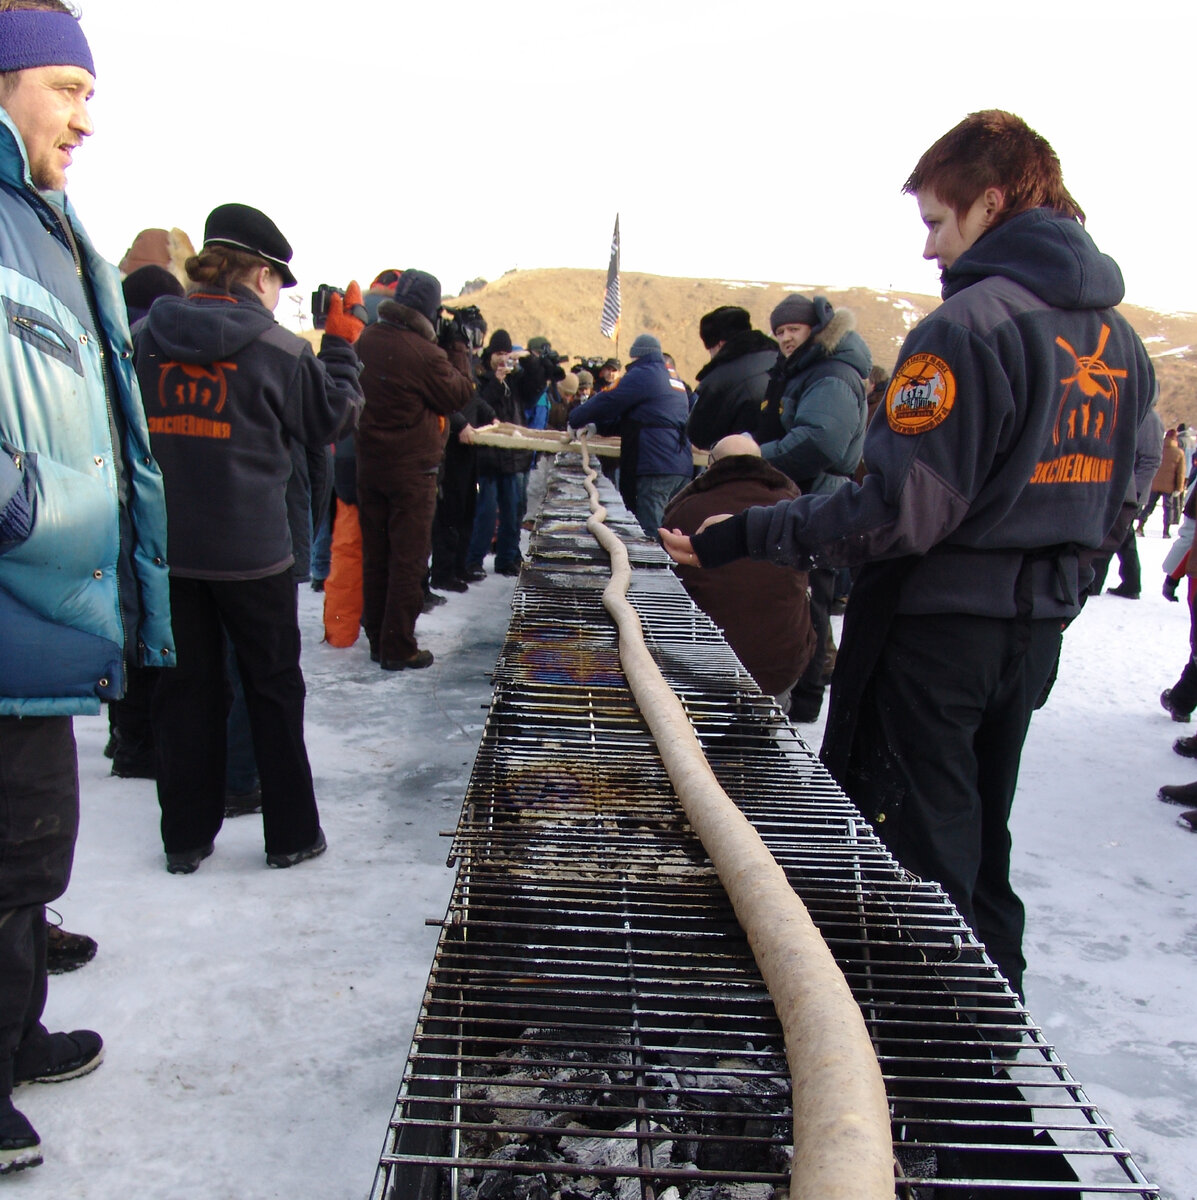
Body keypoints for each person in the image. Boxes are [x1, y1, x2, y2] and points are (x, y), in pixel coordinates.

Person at [660, 110, 1157, 998]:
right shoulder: (1114, 338)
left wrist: (742, 533)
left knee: (912, 856)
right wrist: (1063, 582)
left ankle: (922, 1050)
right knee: (979, 835)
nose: (929, 248)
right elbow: (1131, 480)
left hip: (936, 638)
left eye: (936, 221)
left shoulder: (968, 329)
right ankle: (990, 1031)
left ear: (990, 202)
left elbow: (895, 509)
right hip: (1026, 636)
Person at [1, 1, 174, 1172]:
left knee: (26, 850)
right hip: (22, 578)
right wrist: (36, 515)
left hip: (37, 608)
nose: (86, 117)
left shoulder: (45, 223)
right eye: (67, 87)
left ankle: (14, 1036)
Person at [134, 203, 363, 875]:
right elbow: (332, 417)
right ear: (258, 274)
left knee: (184, 694)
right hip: (254, 551)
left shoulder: (145, 337)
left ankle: (184, 837)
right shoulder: (279, 350)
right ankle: (291, 833)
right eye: (276, 285)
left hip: (170, 547)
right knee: (270, 689)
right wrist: (343, 347)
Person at [755, 293, 871, 722]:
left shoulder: (831, 375)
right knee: (803, 596)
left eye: (793, 330)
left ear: (815, 330)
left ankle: (805, 696)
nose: (785, 338)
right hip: (809, 493)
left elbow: (821, 441)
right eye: (780, 332)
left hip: (820, 497)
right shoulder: (808, 370)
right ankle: (799, 689)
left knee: (811, 599)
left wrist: (755, 454)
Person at [356, 269, 474, 669]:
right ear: (429, 310)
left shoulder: (368, 338)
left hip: (369, 465)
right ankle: (398, 646)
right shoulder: (424, 353)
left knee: (376, 556)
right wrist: (458, 345)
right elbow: (458, 393)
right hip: (411, 473)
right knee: (407, 559)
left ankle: (376, 638)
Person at [662, 435, 815, 707]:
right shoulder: (791, 513)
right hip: (777, 669)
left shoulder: (687, 509)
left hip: (702, 669)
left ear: (711, 465)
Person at [567, 333, 693, 537]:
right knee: (672, 530)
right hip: (679, 466)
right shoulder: (673, 378)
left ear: (637, 356)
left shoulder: (644, 374)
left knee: (650, 533)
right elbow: (642, 420)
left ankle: (649, 568)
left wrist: (575, 418)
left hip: (655, 466)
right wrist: (598, 427)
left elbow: (609, 400)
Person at [465, 330, 534, 578]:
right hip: (489, 455)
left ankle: (506, 558)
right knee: (486, 511)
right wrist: (496, 381)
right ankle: (474, 560)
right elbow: (479, 406)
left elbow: (534, 388)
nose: (502, 359)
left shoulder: (517, 379)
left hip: (514, 455)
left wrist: (528, 361)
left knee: (512, 511)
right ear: (490, 354)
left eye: (506, 354)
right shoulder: (481, 375)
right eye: (498, 354)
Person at [686, 305, 778, 450]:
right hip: (785, 458)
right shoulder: (781, 358)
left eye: (710, 349)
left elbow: (699, 435)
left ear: (720, 344)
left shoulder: (720, 378)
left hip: (744, 462)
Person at [1136, 427, 1184, 537]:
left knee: (1149, 506)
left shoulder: (1158, 448)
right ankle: (1165, 531)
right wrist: (1179, 488)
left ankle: (1140, 526)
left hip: (1155, 484)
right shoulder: (1179, 453)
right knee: (1168, 508)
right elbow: (1180, 473)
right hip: (1169, 486)